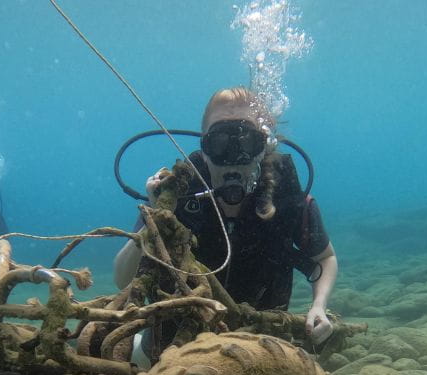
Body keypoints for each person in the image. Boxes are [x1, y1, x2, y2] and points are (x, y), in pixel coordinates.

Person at [114, 87, 338, 345]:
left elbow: (325, 258)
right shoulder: (181, 192)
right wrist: (156, 216)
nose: (233, 159)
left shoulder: (285, 195)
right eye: (219, 143)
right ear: (205, 148)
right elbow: (122, 279)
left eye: (246, 143)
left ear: (263, 147)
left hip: (261, 340)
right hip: (175, 345)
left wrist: (318, 306)